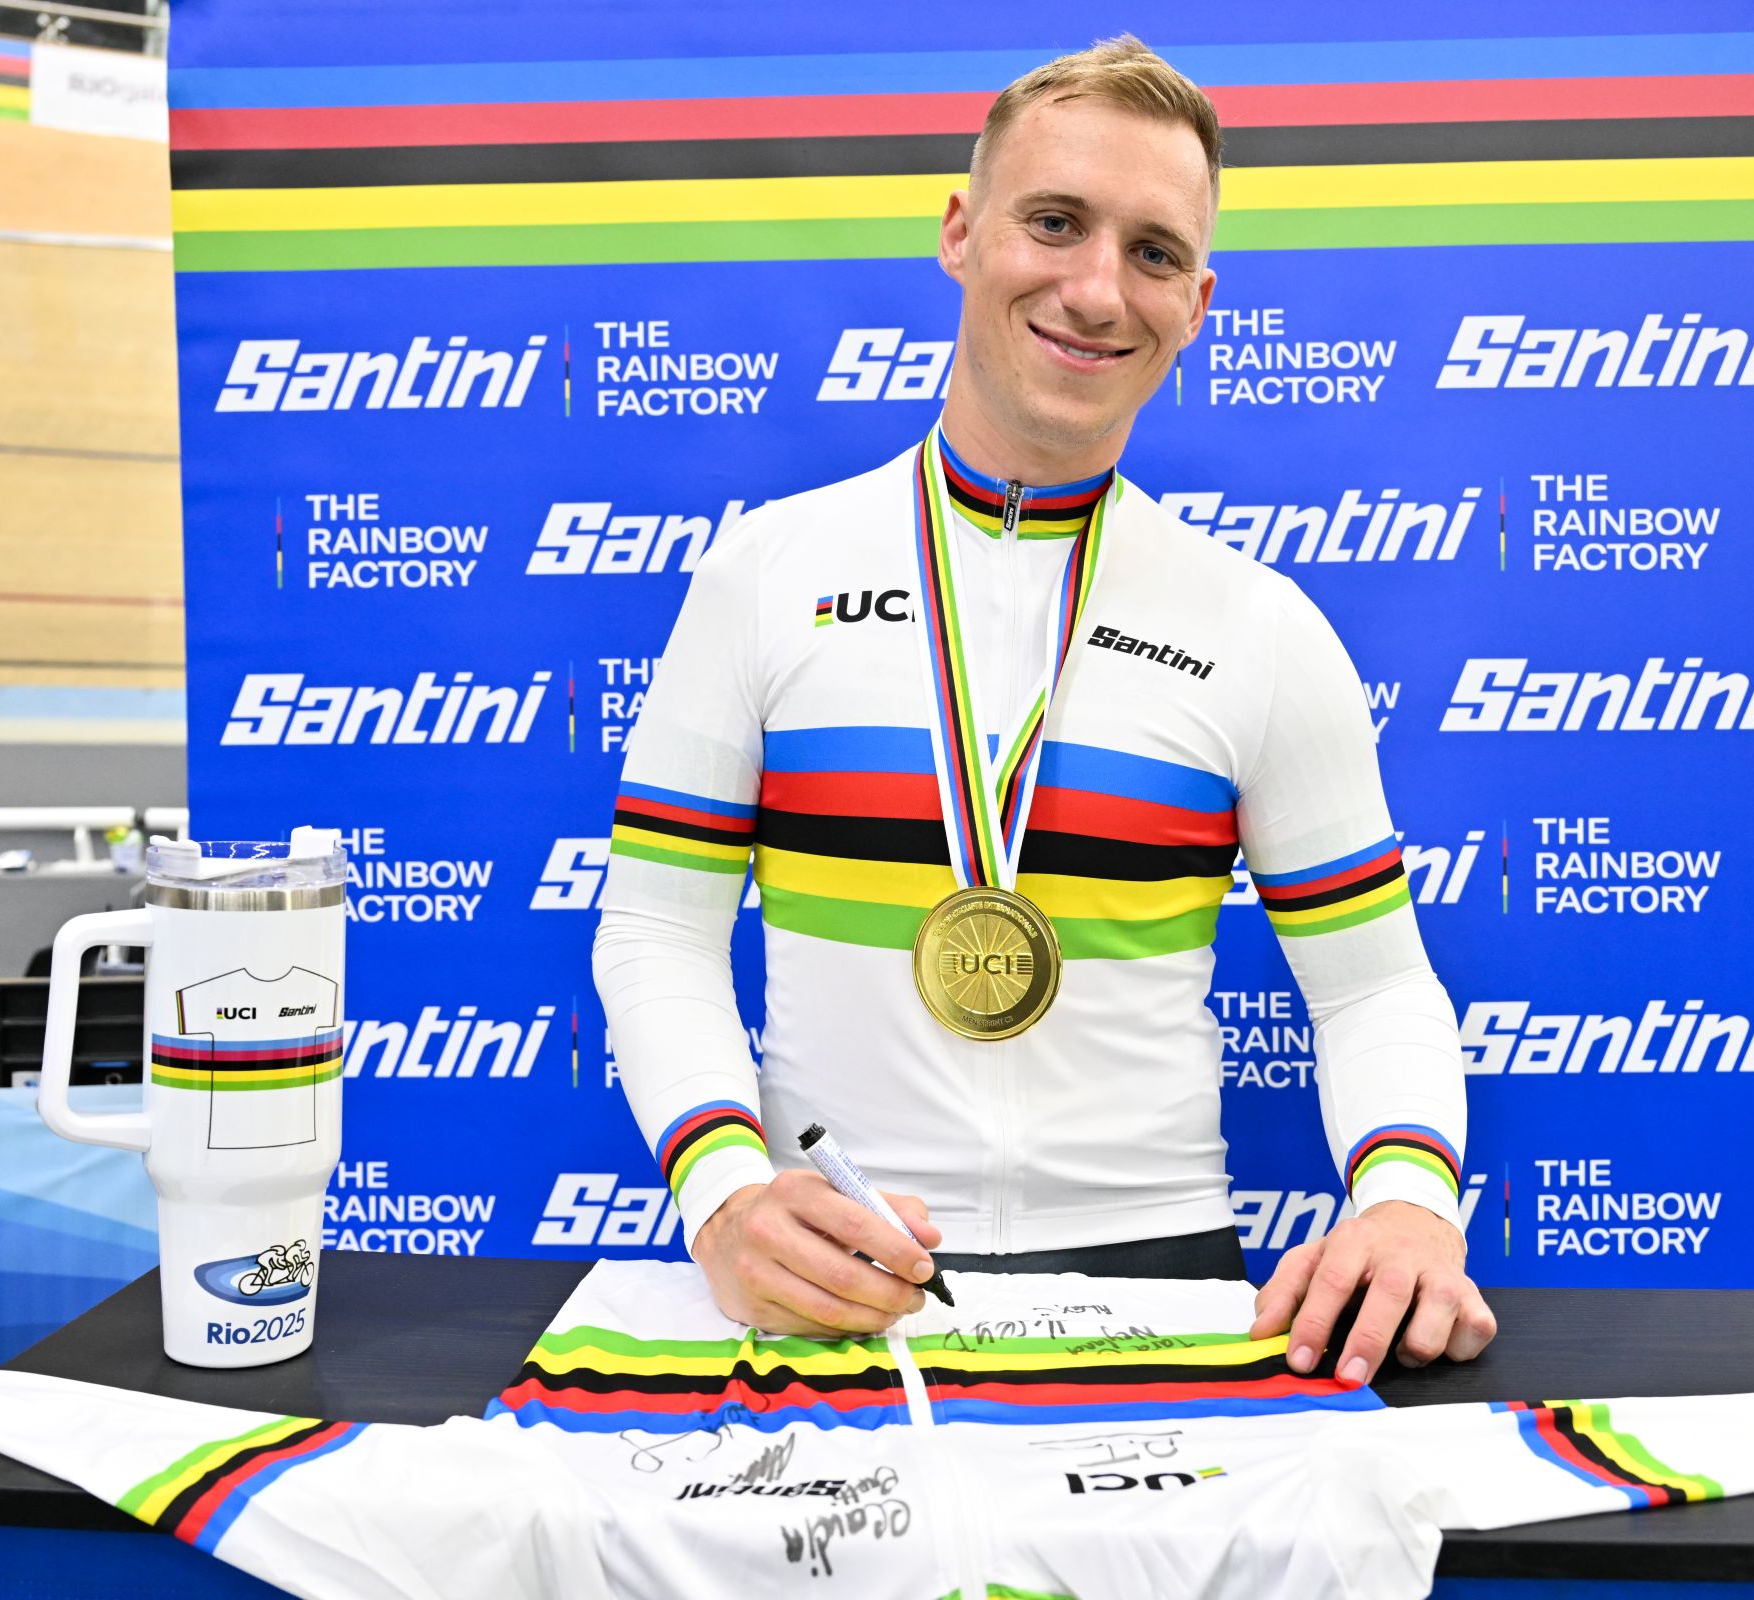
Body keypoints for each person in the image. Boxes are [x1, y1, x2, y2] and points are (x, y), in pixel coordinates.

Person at [593, 36, 1493, 1387]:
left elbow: (1373, 985)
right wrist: (724, 1191)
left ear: (1197, 301)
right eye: (1056, 222)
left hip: (1165, 1287)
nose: (1096, 290)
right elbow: (658, 927)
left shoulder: (1259, 625)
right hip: (836, 1273)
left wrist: (1411, 1205)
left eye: (1152, 252)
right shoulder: (765, 576)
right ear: (962, 233)